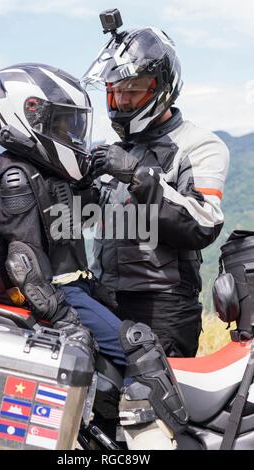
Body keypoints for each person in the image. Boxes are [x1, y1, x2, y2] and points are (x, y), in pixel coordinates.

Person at [82, 24, 230, 358]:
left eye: (133, 90)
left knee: (157, 407)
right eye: (114, 91)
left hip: (163, 309)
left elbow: (202, 224)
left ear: (162, 87)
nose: (122, 100)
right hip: (105, 300)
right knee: (100, 406)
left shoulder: (199, 144)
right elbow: (80, 220)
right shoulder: (115, 148)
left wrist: (138, 175)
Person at [0, 62, 126, 369]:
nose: (70, 134)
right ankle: (140, 417)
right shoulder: (17, 177)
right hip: (60, 294)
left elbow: (71, 227)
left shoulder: (41, 171)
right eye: (61, 124)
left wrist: (87, 180)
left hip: (73, 287)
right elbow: (23, 263)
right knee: (139, 348)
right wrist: (65, 320)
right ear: (28, 116)